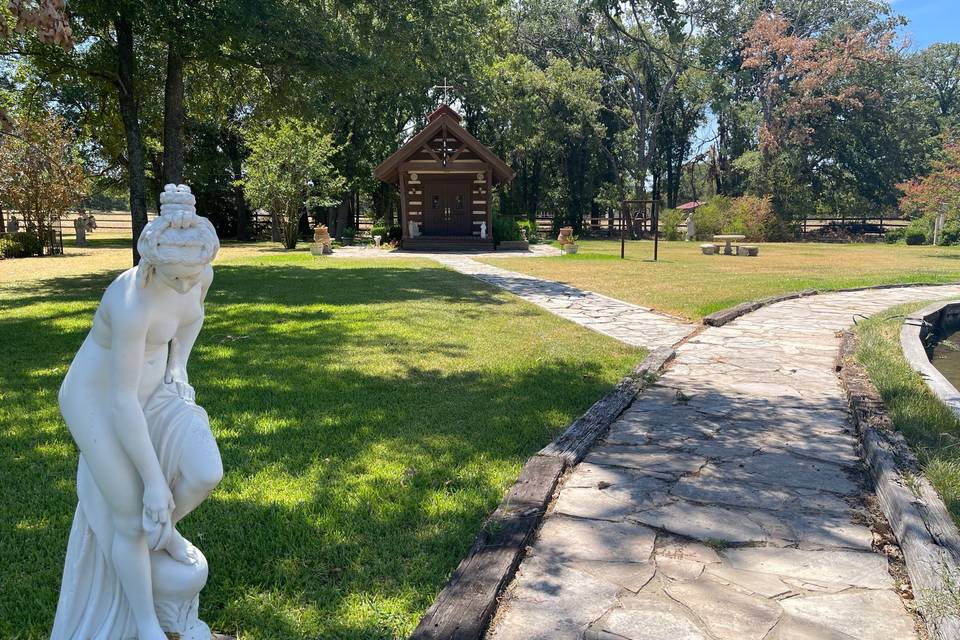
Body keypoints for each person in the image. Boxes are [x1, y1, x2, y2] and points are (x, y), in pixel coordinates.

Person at [53, 185, 222, 640]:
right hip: (97, 398)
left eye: (194, 275)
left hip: (154, 385)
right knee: (129, 515)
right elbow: (120, 399)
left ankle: (163, 531)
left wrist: (179, 364)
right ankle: (146, 623)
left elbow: (194, 317)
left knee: (206, 472)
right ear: (151, 262)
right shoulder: (129, 301)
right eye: (175, 277)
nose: (186, 285)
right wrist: (150, 482)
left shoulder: (197, 274)